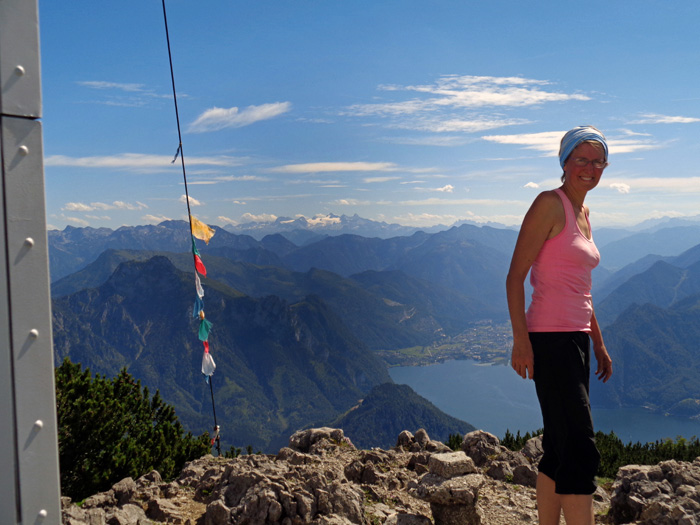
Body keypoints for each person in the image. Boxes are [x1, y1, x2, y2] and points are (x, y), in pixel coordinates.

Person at [506, 125, 614, 525]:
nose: (590, 167)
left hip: (576, 340)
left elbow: (581, 290)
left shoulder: (583, 212)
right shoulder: (548, 205)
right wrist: (522, 342)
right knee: (582, 450)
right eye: (581, 159)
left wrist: (598, 343)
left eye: (597, 160)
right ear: (564, 162)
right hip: (549, 341)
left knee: (559, 445)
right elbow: (514, 277)